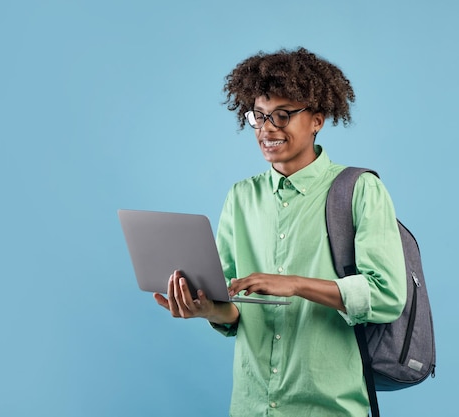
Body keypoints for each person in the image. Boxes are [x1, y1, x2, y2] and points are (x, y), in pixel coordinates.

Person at [153, 47, 407, 417]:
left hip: (328, 407)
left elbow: (386, 295)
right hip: (251, 405)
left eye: (282, 115)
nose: (268, 128)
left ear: (317, 119)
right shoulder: (241, 197)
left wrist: (296, 284)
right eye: (259, 116)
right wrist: (208, 308)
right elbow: (234, 304)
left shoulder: (360, 190)